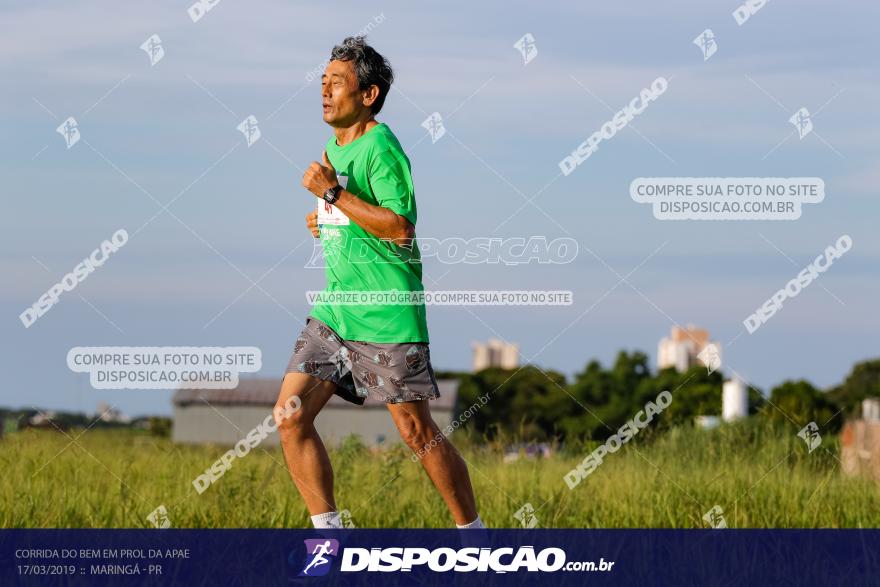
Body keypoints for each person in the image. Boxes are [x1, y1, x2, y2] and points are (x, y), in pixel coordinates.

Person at [275, 36, 484, 530]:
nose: (325, 91)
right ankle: (328, 539)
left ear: (367, 95)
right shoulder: (333, 146)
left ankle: (474, 537)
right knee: (291, 417)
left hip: (387, 310)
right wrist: (326, 216)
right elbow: (358, 214)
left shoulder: (382, 146)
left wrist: (331, 192)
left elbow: (399, 227)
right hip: (338, 309)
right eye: (322, 82)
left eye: (337, 83)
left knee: (415, 430)